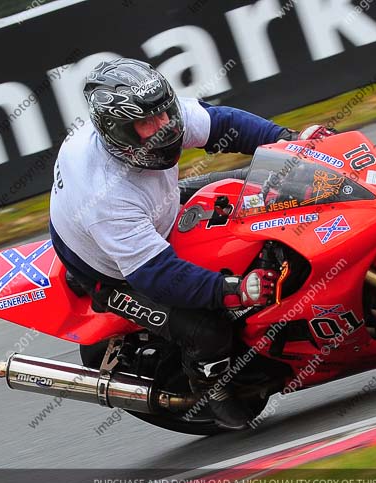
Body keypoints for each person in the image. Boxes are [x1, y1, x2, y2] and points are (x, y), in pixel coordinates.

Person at [49, 58, 334, 429]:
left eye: (165, 115)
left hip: (159, 205)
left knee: (273, 183)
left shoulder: (156, 114)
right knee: (210, 330)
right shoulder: (106, 196)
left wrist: (291, 141)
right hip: (114, 270)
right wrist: (232, 289)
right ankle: (209, 387)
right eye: (148, 125)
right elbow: (156, 274)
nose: (164, 129)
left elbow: (224, 124)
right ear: (118, 132)